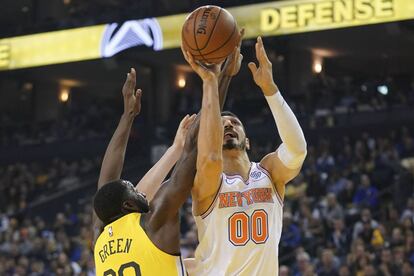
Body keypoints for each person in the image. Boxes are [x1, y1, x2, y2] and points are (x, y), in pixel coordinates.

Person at [93, 39, 243, 276]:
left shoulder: (101, 237)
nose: (141, 191)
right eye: (134, 189)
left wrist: (128, 116)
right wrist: (217, 80)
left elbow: (106, 181)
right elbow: (195, 149)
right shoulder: (153, 222)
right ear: (128, 205)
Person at [184, 36, 307, 275]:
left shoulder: (268, 172)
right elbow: (210, 158)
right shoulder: (208, 183)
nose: (229, 125)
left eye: (235, 123)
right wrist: (211, 81)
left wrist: (270, 89)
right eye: (221, 125)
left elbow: (296, 150)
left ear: (247, 140)